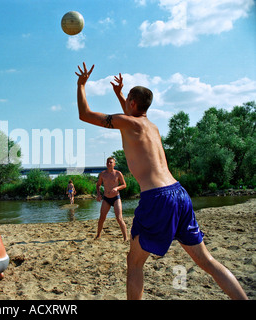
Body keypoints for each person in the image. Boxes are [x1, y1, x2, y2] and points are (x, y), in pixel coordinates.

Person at [76, 63, 248, 300]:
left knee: (134, 262)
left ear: (133, 103)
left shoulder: (130, 123)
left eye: (127, 100)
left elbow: (84, 114)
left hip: (157, 198)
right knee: (206, 260)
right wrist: (119, 94)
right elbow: (131, 116)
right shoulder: (152, 127)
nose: (125, 103)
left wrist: (81, 85)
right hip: (179, 193)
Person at [95, 157, 128, 241]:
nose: (109, 164)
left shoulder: (118, 173)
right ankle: (98, 235)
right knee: (102, 217)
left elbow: (124, 184)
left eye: (111, 162)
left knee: (119, 218)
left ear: (114, 164)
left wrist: (117, 188)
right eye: (107, 162)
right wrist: (99, 195)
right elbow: (98, 185)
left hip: (116, 198)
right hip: (106, 198)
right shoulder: (102, 174)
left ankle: (125, 238)